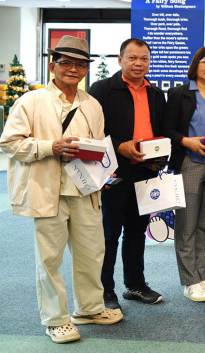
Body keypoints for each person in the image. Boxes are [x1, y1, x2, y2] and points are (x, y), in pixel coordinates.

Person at [0, 36, 122, 344]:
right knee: (50, 258)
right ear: (52, 66)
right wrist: (49, 147)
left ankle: (90, 309)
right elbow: (9, 143)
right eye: (65, 63)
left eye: (80, 64)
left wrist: (106, 168)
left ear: (86, 69)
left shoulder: (91, 104)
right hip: (47, 189)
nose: (73, 69)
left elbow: (98, 145)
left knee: (92, 252)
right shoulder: (31, 101)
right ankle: (56, 320)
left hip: (85, 189)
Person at [90, 38, 166, 309]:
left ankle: (135, 284)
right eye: (132, 58)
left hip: (145, 172)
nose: (138, 63)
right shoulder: (102, 89)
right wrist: (119, 145)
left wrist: (160, 158)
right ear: (120, 60)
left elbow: (160, 131)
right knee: (109, 233)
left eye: (144, 58)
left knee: (137, 230)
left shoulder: (156, 93)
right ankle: (104, 290)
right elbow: (92, 129)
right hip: (113, 173)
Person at [162, 46, 205, 302]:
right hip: (189, 163)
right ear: (196, 65)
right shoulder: (179, 93)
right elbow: (166, 129)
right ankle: (189, 281)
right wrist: (186, 141)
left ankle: (201, 275)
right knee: (186, 225)